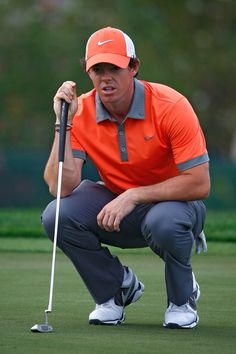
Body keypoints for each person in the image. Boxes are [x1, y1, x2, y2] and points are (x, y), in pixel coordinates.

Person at [42, 26, 210, 328]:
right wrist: (62, 123)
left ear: (133, 67)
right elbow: (59, 186)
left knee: (164, 223)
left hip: (176, 207)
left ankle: (182, 300)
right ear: (87, 71)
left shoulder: (171, 106)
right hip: (120, 211)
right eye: (97, 69)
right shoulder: (79, 111)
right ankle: (115, 289)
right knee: (56, 214)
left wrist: (133, 195)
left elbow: (199, 182)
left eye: (115, 68)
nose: (106, 77)